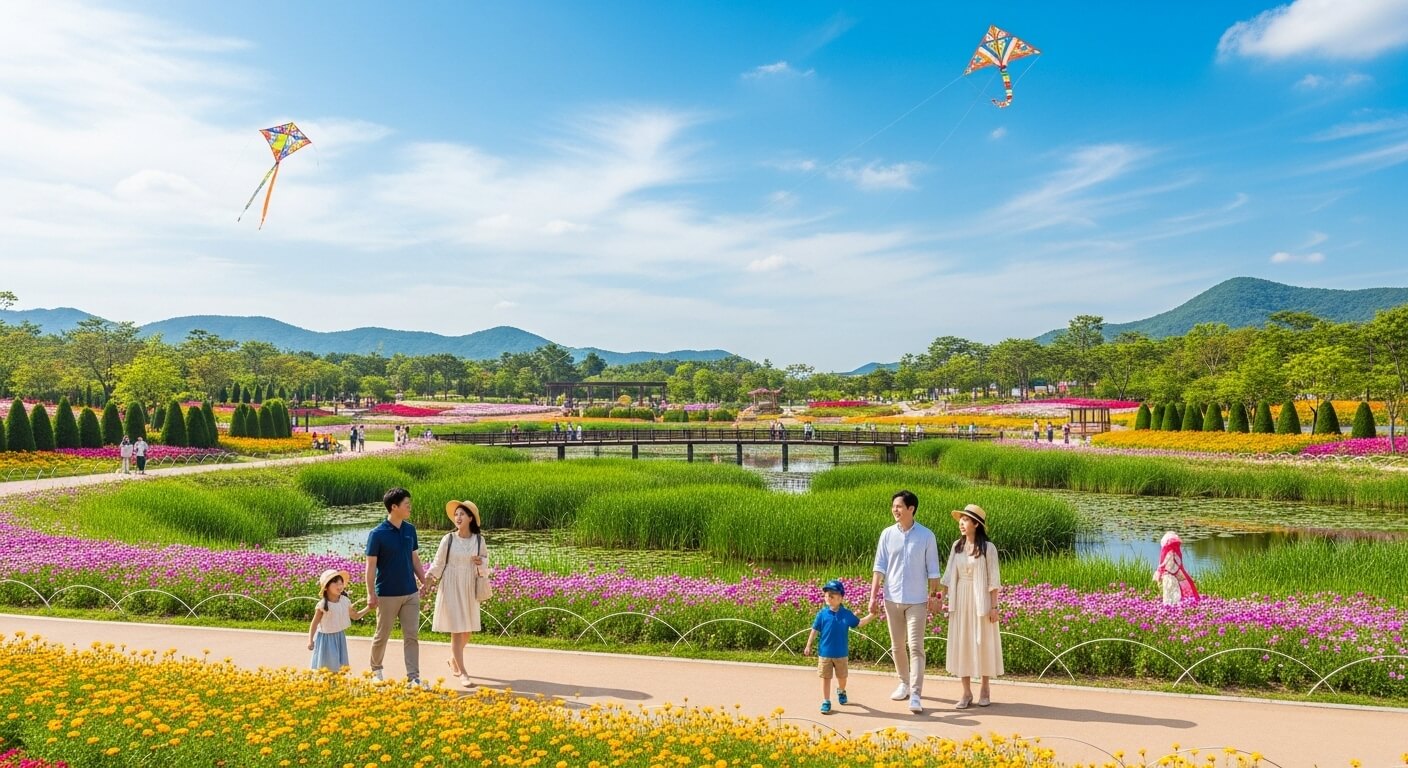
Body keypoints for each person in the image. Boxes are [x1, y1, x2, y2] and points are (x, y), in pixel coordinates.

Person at [867, 490, 942, 714]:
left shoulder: (927, 536)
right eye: (893, 506)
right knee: (897, 646)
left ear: (911, 509)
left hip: (917, 601)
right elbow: (879, 567)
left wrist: (934, 597)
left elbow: (934, 571)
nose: (895, 510)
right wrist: (873, 596)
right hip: (891, 599)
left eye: (899, 506)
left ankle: (916, 694)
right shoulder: (887, 534)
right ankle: (904, 683)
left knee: (916, 646)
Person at [940, 503, 1003, 709]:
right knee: (963, 642)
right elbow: (948, 576)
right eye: (961, 519)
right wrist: (939, 598)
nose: (961, 523)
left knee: (982, 641)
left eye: (966, 520)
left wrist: (994, 607)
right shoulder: (956, 546)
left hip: (980, 599)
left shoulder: (988, 548)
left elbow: (993, 579)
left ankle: (985, 688)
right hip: (960, 600)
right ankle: (966, 692)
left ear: (976, 524)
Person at [366, 487, 430, 687]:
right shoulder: (377, 534)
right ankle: (376, 671)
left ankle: (413, 677)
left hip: (410, 593)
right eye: (406, 504)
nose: (410, 507)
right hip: (387, 594)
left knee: (412, 636)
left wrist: (423, 580)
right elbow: (370, 566)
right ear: (394, 507)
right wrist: (370, 593)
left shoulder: (410, 530)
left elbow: (414, 558)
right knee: (382, 634)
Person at [425, 500, 489, 688]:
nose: (458, 517)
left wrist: (480, 562)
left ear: (470, 518)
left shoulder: (479, 540)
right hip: (451, 586)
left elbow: (486, 562)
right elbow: (438, 563)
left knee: (467, 630)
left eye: (462, 514)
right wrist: (428, 579)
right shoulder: (448, 539)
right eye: (456, 514)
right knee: (457, 630)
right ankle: (463, 672)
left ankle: (453, 660)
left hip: (469, 586)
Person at [803, 579, 876, 714]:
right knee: (826, 678)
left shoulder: (846, 614)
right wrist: (808, 645)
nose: (828, 597)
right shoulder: (822, 614)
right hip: (825, 653)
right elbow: (814, 629)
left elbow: (859, 623)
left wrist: (872, 615)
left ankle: (841, 690)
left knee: (842, 678)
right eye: (827, 594)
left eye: (832, 594)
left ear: (841, 598)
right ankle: (826, 701)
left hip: (841, 653)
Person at [307, 569, 368, 671]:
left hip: (340, 637)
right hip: (325, 639)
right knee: (325, 668)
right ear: (326, 587)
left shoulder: (345, 601)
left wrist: (368, 608)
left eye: (341, 583)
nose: (339, 586)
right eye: (335, 582)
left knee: (338, 668)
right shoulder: (323, 605)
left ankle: (336, 681)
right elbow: (314, 624)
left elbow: (355, 616)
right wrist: (310, 641)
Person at [1153, 531, 1200, 606]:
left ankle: (1170, 608)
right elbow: (1177, 567)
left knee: (1171, 596)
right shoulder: (1172, 554)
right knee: (1172, 596)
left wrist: (1159, 575)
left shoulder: (1169, 554)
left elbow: (1163, 566)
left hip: (1169, 578)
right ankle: (1173, 608)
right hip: (1170, 578)